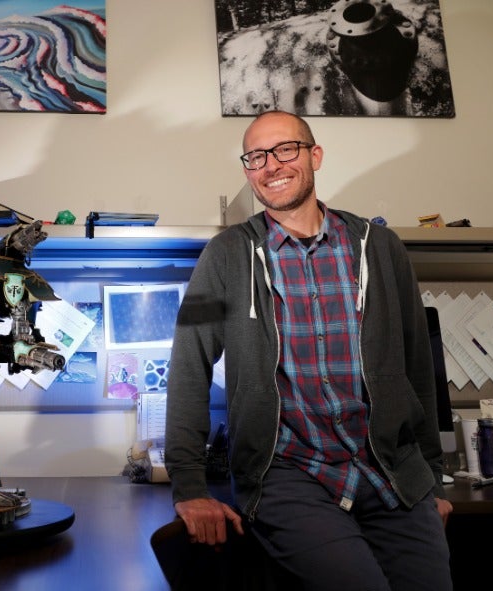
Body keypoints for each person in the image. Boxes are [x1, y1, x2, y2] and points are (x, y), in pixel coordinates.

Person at [165, 110, 453, 590]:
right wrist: (190, 486)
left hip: (390, 473)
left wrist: (434, 478)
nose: (271, 165)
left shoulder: (379, 248)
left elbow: (416, 363)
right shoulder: (226, 255)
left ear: (314, 155)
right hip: (290, 474)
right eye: (256, 156)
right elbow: (188, 365)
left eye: (285, 149)